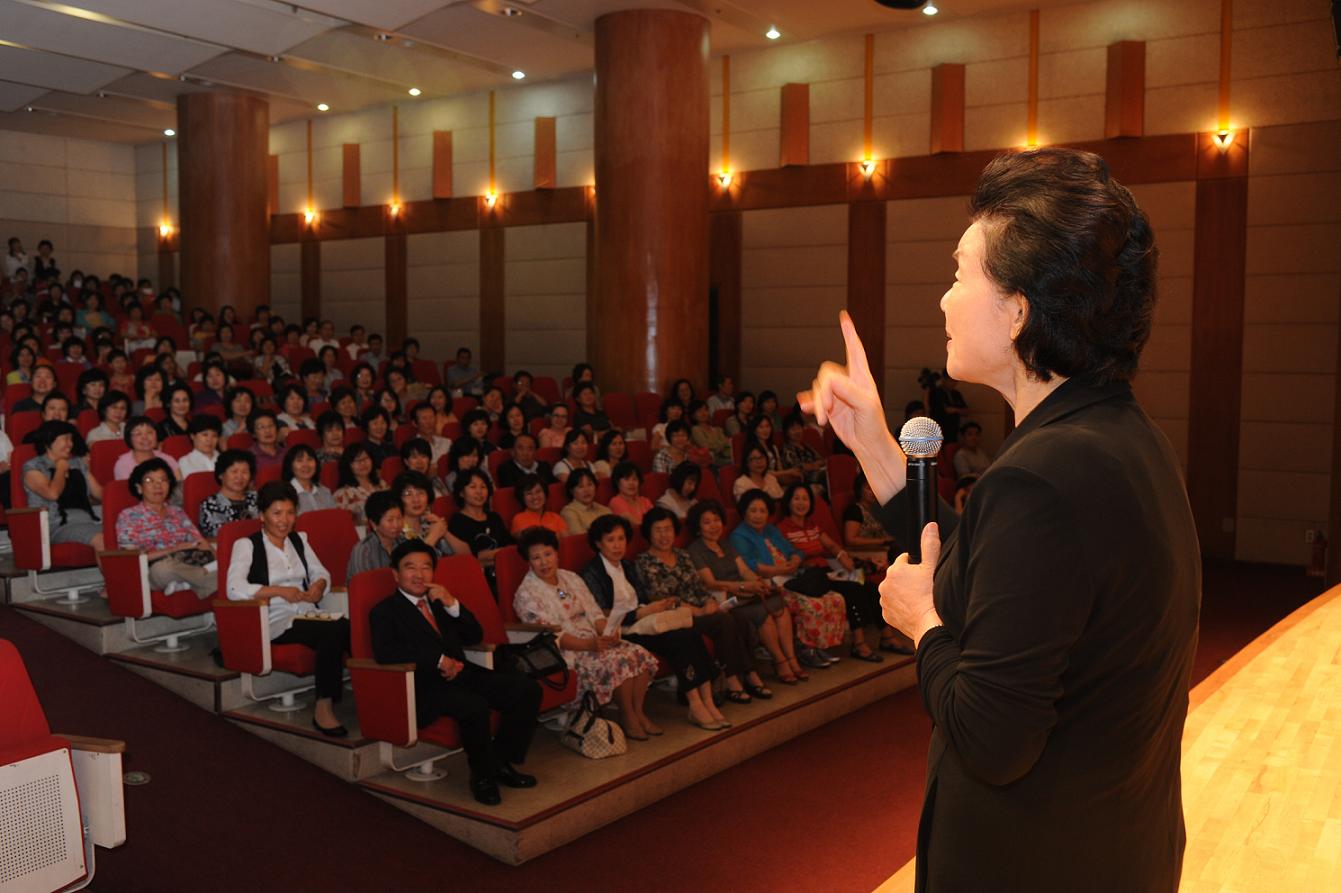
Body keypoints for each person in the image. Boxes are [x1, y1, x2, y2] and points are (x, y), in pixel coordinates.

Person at [798, 148, 1198, 891]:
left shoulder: (1039, 478)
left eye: (959, 274)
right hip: (1109, 849)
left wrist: (923, 625)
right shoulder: (1117, 438)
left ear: (1017, 311)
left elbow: (990, 734)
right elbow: (1007, 580)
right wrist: (875, 449)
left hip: (1033, 861)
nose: (944, 298)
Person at [370, 540, 542, 805]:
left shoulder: (439, 601)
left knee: (527, 690)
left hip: (464, 675)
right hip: (424, 685)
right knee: (475, 706)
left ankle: (500, 761)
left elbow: (474, 635)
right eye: (410, 567)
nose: (419, 574)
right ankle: (482, 777)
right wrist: (438, 660)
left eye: (426, 567)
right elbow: (386, 652)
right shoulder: (384, 611)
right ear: (395, 573)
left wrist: (452, 603)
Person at [513, 527, 661, 740]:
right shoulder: (527, 593)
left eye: (548, 554)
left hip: (595, 640)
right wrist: (588, 645)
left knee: (636, 652)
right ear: (528, 561)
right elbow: (551, 636)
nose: (544, 562)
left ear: (557, 554)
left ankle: (638, 712)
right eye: (536, 558)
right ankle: (627, 716)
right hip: (567, 651)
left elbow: (594, 612)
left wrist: (607, 631)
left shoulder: (569, 578)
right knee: (619, 662)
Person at [581, 514, 727, 731]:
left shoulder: (628, 567)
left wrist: (657, 607)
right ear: (598, 543)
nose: (617, 545)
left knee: (691, 632)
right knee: (679, 639)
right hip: (623, 630)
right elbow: (601, 613)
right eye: (610, 540)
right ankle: (695, 705)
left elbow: (643, 599)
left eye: (621, 539)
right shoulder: (592, 572)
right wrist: (641, 613)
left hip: (645, 623)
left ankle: (708, 702)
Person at [226, 481, 348, 736]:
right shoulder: (247, 545)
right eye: (276, 513)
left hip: (308, 612)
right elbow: (234, 588)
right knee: (333, 631)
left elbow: (320, 572)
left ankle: (370, 691)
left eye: (290, 513)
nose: (284, 520)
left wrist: (319, 586)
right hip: (274, 618)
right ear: (262, 515)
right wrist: (279, 591)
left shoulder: (299, 540)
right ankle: (323, 707)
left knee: (347, 627)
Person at [637, 507, 772, 702]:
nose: (664, 535)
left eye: (668, 529)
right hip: (678, 616)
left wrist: (709, 601)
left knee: (739, 619)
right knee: (724, 622)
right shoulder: (645, 562)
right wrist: (699, 611)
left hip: (700, 609)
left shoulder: (682, 555)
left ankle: (750, 674)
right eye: (658, 530)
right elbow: (662, 599)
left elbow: (699, 587)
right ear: (648, 534)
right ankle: (733, 680)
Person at [686, 500, 804, 685]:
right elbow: (711, 583)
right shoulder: (695, 550)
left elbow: (744, 571)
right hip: (726, 599)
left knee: (779, 605)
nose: (713, 526)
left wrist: (756, 582)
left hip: (746, 593)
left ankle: (792, 660)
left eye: (716, 520)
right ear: (698, 527)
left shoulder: (725, 544)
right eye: (706, 522)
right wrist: (744, 587)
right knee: (762, 613)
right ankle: (780, 662)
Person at [776, 482, 894, 661]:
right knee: (853, 590)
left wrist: (842, 557)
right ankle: (859, 644)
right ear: (788, 502)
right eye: (796, 499)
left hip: (828, 571)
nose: (801, 503)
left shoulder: (812, 525)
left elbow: (831, 545)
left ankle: (887, 637)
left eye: (805, 499)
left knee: (869, 586)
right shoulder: (782, 529)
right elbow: (787, 557)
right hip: (808, 576)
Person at [731, 488, 846, 670]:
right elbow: (750, 565)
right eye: (753, 511)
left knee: (835, 598)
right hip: (771, 582)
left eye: (763, 511)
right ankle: (805, 649)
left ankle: (818, 646)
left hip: (791, 575)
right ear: (744, 511)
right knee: (810, 604)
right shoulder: (739, 535)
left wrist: (794, 560)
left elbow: (795, 551)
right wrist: (777, 569)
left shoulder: (770, 530)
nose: (758, 516)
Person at [116, 458, 215, 599]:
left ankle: (187, 583)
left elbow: (199, 541)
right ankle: (202, 577)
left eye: (163, 480)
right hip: (155, 569)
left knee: (228, 564)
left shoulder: (177, 512)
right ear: (139, 487)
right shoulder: (128, 516)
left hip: (188, 562)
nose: (158, 486)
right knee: (163, 570)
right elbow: (132, 557)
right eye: (150, 481)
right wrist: (172, 549)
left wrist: (219, 560)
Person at [21, 420, 103, 549]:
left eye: (71, 439)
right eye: (65, 439)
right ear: (49, 441)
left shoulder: (77, 463)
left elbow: (99, 493)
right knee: (102, 539)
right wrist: (60, 469)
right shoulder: (33, 467)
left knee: (119, 534)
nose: (70, 444)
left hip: (88, 520)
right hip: (57, 525)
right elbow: (52, 494)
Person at [447, 468, 512, 571]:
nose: (479, 492)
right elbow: (469, 558)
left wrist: (488, 556)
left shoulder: (494, 517)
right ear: (461, 493)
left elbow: (510, 546)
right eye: (473, 487)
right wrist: (498, 554)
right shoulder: (457, 521)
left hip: (504, 570)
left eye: (483, 487)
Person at [394, 470, 467, 556]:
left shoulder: (429, 523)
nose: (416, 499)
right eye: (408, 494)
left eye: (420, 493)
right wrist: (434, 536)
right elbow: (414, 563)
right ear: (398, 499)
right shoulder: (395, 530)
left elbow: (466, 555)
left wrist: (444, 531)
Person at [197, 449, 257, 538]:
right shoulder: (209, 505)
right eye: (234, 472)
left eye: (245, 472)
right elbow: (219, 536)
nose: (240, 477)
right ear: (221, 475)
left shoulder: (257, 499)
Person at [347, 490, 402, 577]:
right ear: (373, 524)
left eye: (399, 518)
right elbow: (364, 585)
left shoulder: (403, 542)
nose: (396, 525)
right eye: (390, 520)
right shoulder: (364, 550)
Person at [114, 417, 181, 481]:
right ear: (129, 438)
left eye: (149, 432)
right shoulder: (123, 465)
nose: (145, 437)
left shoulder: (167, 459)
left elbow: (179, 487)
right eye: (138, 434)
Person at [333, 443, 386, 525]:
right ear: (348, 465)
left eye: (365, 458)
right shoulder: (343, 494)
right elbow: (342, 524)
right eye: (357, 460)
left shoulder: (381, 484)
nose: (363, 463)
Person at [284, 444, 335, 514]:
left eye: (310, 459)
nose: (306, 465)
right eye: (299, 461)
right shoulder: (285, 495)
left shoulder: (325, 492)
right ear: (290, 466)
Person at [779, 413, 826, 488]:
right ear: (787, 433)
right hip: (803, 479)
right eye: (793, 429)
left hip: (817, 473)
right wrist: (813, 465)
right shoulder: (787, 449)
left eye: (799, 428)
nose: (797, 431)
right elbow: (797, 468)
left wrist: (812, 465)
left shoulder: (807, 446)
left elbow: (822, 460)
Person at [559, 467, 611, 534]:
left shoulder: (605, 510)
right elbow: (580, 539)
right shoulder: (569, 512)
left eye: (590, 484)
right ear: (571, 490)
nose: (586, 490)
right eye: (580, 486)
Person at [689, 400, 733, 467]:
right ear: (693, 415)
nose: (703, 413)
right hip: (708, 462)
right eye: (699, 411)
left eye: (705, 410)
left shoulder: (718, 429)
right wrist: (723, 443)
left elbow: (726, 446)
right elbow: (707, 447)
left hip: (724, 457)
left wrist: (717, 446)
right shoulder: (695, 429)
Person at [608, 461, 652, 525]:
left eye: (634, 479)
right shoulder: (616, 502)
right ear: (617, 482)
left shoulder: (645, 501)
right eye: (626, 479)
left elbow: (656, 521)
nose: (631, 483)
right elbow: (636, 524)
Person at [177, 415, 222, 479]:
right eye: (205, 435)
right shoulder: (185, 462)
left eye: (214, 436)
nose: (209, 439)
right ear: (192, 436)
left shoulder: (224, 460)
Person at [249, 410, 286, 477]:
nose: (268, 431)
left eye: (271, 425)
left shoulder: (286, 453)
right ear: (253, 434)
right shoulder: (250, 457)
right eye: (261, 427)